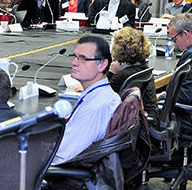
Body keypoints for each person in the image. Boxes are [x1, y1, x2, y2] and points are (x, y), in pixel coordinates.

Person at [52, 36, 120, 164]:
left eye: (82, 58)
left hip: (63, 172)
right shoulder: (103, 95)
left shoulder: (95, 107)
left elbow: (64, 158)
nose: (74, 62)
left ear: (103, 65)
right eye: (75, 56)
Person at [107, 27, 158, 119]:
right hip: (149, 119)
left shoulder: (122, 76)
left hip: (137, 124)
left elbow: (102, 96)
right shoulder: (144, 68)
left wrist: (111, 73)